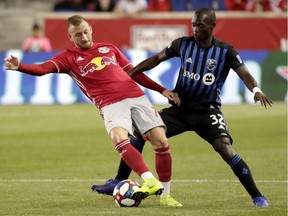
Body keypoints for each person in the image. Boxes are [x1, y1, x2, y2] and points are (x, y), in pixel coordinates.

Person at [91, 7, 273, 208]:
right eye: (193, 24)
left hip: (207, 111)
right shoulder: (183, 44)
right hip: (180, 109)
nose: (195, 29)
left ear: (212, 26)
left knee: (225, 148)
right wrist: (131, 73)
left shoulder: (225, 51)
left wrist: (255, 89)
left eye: (200, 25)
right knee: (141, 132)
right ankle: (117, 181)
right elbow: (156, 59)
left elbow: (245, 74)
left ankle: (257, 196)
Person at [4, 15, 182, 207]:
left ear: (91, 29)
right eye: (77, 34)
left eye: (85, 31)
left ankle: (166, 196)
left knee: (160, 140)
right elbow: (43, 69)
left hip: (136, 96)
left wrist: (162, 90)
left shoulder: (109, 48)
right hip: (110, 103)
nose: (83, 37)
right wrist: (20, 66)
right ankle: (149, 180)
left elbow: (135, 72)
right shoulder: (68, 58)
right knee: (119, 138)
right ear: (70, 37)